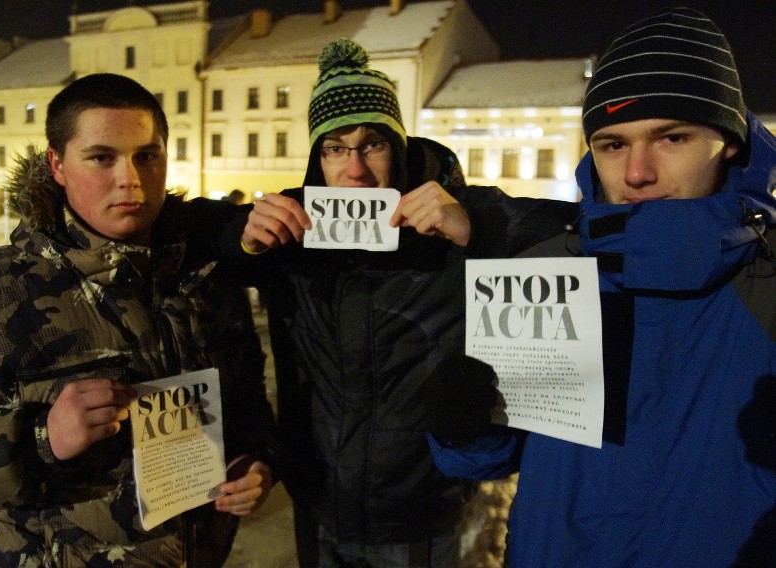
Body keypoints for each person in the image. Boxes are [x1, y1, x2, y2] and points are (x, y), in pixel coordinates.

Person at [426, 8, 776, 567]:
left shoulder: (767, 289)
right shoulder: (550, 270)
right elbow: (493, 458)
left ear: (729, 141)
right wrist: (463, 423)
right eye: (613, 145)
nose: (637, 172)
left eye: (671, 138)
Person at [233, 38, 572, 567]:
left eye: (372, 145)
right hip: (319, 506)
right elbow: (194, 244)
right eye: (335, 148)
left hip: (423, 514)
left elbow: (577, 237)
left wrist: (475, 231)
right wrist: (244, 239)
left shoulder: (459, 210)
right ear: (316, 157)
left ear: (401, 145)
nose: (355, 171)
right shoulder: (297, 230)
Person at [0, 73, 278, 567]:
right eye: (101, 157)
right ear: (57, 165)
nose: (129, 178)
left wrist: (254, 461)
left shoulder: (205, 280)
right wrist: (40, 436)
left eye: (146, 155)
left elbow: (245, 405)